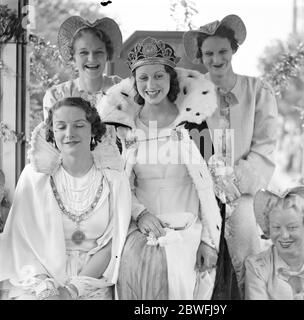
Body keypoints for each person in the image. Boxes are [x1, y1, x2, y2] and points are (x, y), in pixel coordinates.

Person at [97, 37, 222, 299]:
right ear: (134, 82)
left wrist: (209, 242)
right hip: (142, 228)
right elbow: (119, 185)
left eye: (158, 76)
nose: (150, 85)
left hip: (189, 230)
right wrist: (140, 215)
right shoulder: (124, 128)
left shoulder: (193, 124)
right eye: (143, 78)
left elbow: (210, 185)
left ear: (170, 79)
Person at [183, 14, 279, 297]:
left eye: (222, 51)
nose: (216, 59)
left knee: (245, 249)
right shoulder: (191, 92)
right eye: (209, 53)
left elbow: (265, 144)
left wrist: (236, 181)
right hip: (200, 191)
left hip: (241, 192)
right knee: (196, 261)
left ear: (233, 50)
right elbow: (184, 140)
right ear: (201, 56)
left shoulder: (257, 91)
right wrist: (209, 181)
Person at [0, 97, 131, 300]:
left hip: (93, 278)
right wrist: (47, 289)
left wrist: (72, 290)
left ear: (93, 130)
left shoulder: (113, 178)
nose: (69, 134)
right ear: (53, 133)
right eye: (61, 127)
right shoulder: (34, 177)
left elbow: (112, 244)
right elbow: (22, 242)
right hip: (39, 277)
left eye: (79, 125)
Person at [43, 16, 123, 120]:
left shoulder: (124, 89)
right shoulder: (56, 96)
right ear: (73, 56)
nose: (91, 59)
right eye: (84, 52)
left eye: (98, 52)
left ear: (107, 54)